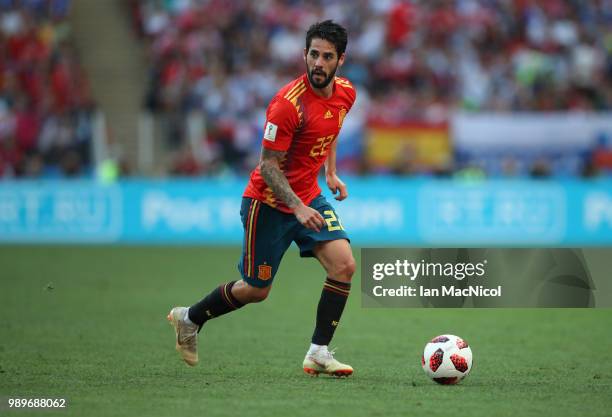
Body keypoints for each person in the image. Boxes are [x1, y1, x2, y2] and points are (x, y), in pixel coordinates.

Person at [167, 20, 357, 377]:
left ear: (340, 61)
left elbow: (332, 128)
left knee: (344, 266)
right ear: (304, 54)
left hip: (309, 197)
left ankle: (318, 351)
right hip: (267, 203)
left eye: (326, 57)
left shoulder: (346, 92)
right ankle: (189, 318)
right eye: (313, 54)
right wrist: (297, 207)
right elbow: (267, 166)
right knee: (256, 290)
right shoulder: (287, 105)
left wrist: (330, 173)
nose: (318, 62)